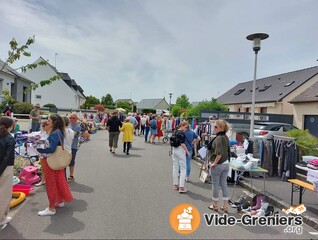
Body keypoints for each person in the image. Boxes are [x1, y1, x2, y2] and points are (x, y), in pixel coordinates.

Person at [36, 114, 73, 216]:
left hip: (51, 162)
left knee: (51, 184)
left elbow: (51, 149)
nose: (47, 121)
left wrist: (38, 148)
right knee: (59, 181)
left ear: (53, 122)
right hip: (57, 161)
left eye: (49, 120)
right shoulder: (59, 132)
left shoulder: (54, 133)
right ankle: (60, 201)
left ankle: (51, 208)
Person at [207, 119, 230, 213]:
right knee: (224, 184)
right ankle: (225, 205)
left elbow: (219, 153)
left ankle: (215, 204)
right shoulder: (225, 136)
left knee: (215, 184)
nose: (214, 128)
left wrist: (214, 163)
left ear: (221, 128)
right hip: (226, 163)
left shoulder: (218, 138)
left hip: (218, 164)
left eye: (216, 126)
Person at [0, 117, 16, 227]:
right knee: (4, 195)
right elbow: (7, 158)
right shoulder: (10, 138)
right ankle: (1, 219)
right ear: (11, 126)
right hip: (5, 169)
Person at [172, 121, 191, 193]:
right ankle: (181, 187)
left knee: (175, 167)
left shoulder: (176, 131)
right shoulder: (182, 133)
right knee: (183, 168)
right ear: (182, 126)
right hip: (180, 150)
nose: (186, 129)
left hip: (174, 149)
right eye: (186, 127)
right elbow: (182, 143)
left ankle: (175, 184)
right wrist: (187, 152)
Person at [67, 113, 81, 182]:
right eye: (70, 118)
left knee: (71, 161)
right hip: (66, 146)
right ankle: (63, 176)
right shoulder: (68, 125)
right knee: (64, 161)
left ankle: (71, 175)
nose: (71, 119)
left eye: (73, 118)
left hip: (73, 146)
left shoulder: (77, 126)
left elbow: (72, 135)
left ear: (76, 119)